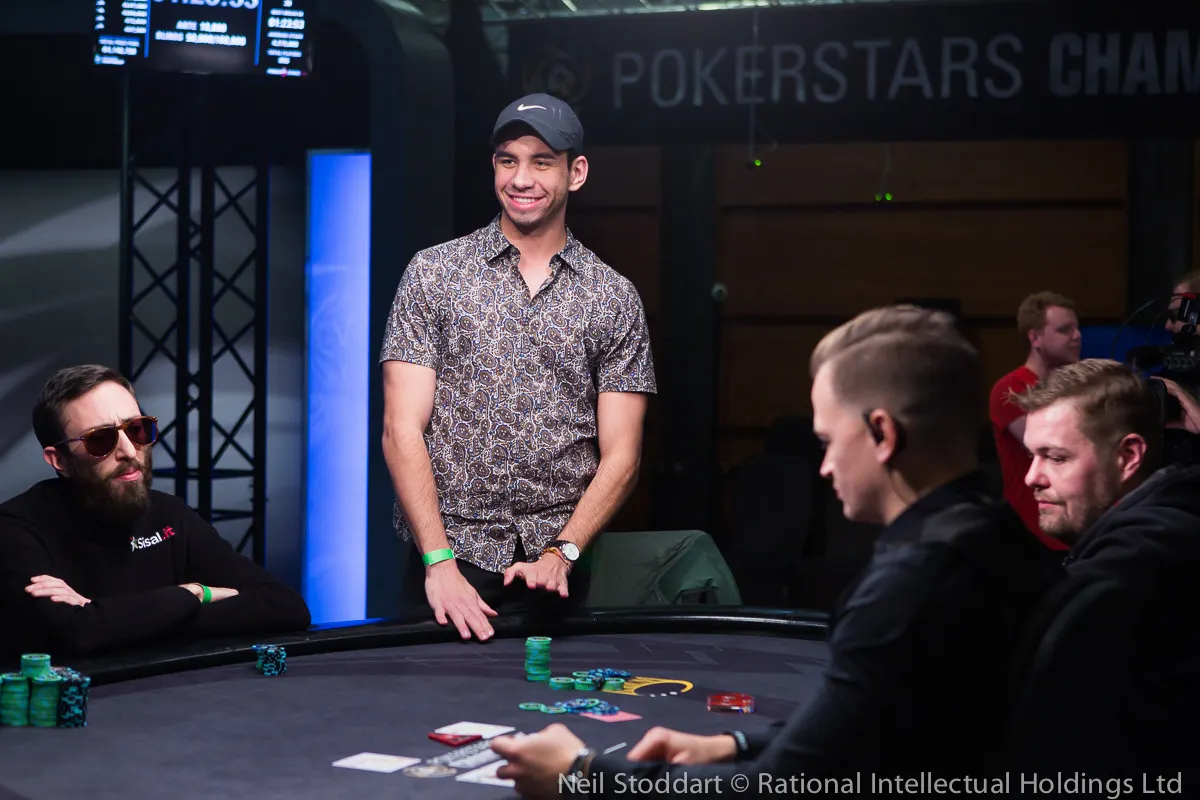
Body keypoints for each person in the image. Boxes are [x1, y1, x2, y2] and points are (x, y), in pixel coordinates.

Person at [490, 305, 1063, 797]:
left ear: (883, 434)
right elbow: (867, 729)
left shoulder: (911, 585)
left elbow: (780, 787)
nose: (824, 466)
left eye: (827, 441)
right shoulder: (1007, 541)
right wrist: (733, 742)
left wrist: (582, 774)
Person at [380, 93, 656, 642]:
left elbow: (623, 454)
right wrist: (438, 562)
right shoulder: (434, 274)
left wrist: (564, 552)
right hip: (450, 562)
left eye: (541, 162)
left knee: (550, 695)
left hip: (555, 570)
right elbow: (400, 428)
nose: (521, 178)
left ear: (576, 173)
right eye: (508, 160)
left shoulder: (613, 296)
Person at [0, 365, 311, 660]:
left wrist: (112, 618)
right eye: (100, 439)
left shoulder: (169, 515)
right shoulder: (15, 528)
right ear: (60, 460)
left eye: (137, 429)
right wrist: (192, 595)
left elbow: (285, 606)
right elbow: (75, 634)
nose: (128, 451)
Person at [1017, 359, 1200, 775]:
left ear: (1128, 456)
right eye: (1031, 456)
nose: (1031, 477)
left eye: (1056, 457)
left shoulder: (1145, 556)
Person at [989, 291, 1081, 552]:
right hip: (1033, 537)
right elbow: (1058, 446)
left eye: (1077, 328)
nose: (1077, 336)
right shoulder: (1010, 389)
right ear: (1035, 338)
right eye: (1065, 330)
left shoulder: (1080, 387)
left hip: (1075, 532)